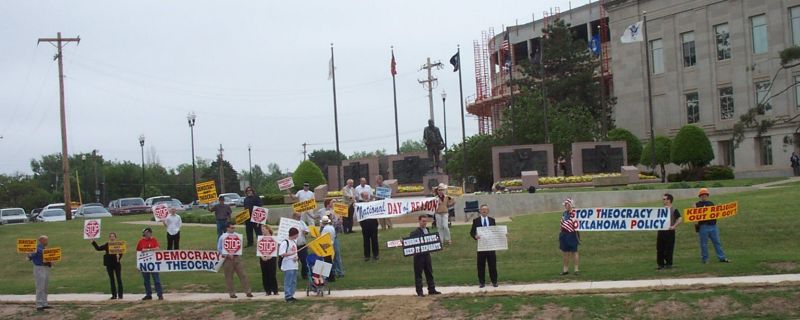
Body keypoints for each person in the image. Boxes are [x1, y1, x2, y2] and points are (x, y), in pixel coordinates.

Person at [217, 222, 253, 298]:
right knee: (229, 276)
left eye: (234, 227)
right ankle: (232, 293)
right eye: (232, 228)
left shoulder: (237, 236)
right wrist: (226, 254)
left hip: (237, 257)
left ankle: (248, 292)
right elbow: (219, 248)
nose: (233, 229)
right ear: (227, 228)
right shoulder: (222, 237)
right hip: (227, 259)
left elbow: (239, 246)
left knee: (243, 275)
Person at [694, 188, 730, 264]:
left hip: (713, 226)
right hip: (703, 226)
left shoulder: (711, 203)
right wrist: (694, 208)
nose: (704, 196)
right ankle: (705, 259)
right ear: (700, 196)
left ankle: (722, 258)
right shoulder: (697, 204)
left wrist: (719, 208)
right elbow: (694, 216)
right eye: (702, 195)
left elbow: (715, 213)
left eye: (705, 195)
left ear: (707, 196)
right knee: (704, 244)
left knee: (717, 242)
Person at [410, 215, 441, 297]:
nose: (424, 223)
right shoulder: (414, 232)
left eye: (425, 221)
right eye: (423, 221)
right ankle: (419, 292)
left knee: (429, 273)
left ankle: (432, 289)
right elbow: (410, 243)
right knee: (418, 274)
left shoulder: (427, 230)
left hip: (427, 255)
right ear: (419, 221)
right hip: (418, 257)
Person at [470, 205, 498, 288]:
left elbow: (495, 231)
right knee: (481, 265)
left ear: (488, 211)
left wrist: (501, 235)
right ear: (480, 211)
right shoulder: (476, 221)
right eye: (482, 210)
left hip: (491, 246)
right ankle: (481, 282)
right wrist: (475, 236)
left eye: (486, 209)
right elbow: (472, 232)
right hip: (481, 246)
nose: (484, 211)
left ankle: (494, 281)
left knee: (492, 265)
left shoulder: (492, 220)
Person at [91, 232, 124, 300]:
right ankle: (114, 295)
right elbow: (98, 248)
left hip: (117, 264)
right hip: (109, 264)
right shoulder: (107, 244)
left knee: (119, 279)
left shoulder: (118, 244)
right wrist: (93, 242)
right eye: (111, 236)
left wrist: (119, 257)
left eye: (113, 236)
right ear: (109, 238)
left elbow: (121, 252)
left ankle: (120, 295)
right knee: (112, 279)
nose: (112, 238)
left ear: (115, 237)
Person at [657, 193, 682, 270]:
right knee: (660, 249)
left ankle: (669, 264)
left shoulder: (674, 210)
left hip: (670, 232)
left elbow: (680, 218)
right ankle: (661, 265)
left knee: (669, 248)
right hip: (661, 232)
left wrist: (674, 226)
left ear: (669, 200)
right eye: (663, 199)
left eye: (664, 199)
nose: (663, 200)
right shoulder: (661, 210)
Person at [136, 227, 163, 300]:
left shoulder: (154, 240)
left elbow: (158, 249)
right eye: (145, 233)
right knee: (146, 280)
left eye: (148, 232)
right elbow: (138, 253)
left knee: (156, 280)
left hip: (153, 263)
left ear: (150, 233)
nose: (146, 234)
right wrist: (138, 265)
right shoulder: (141, 241)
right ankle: (148, 294)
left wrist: (148, 250)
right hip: (145, 264)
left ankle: (159, 294)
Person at [28, 235, 52, 311]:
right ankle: (39, 304)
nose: (47, 242)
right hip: (39, 268)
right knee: (40, 287)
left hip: (46, 268)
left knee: (45, 287)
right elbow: (30, 257)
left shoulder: (44, 248)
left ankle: (44, 303)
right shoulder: (36, 248)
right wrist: (28, 255)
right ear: (42, 240)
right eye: (46, 240)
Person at [559, 198, 580, 276]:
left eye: (566, 204)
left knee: (574, 252)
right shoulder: (564, 213)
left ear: (570, 205)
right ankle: (565, 270)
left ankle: (576, 269)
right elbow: (561, 223)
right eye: (565, 204)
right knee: (565, 252)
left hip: (571, 234)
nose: (565, 205)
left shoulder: (574, 213)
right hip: (563, 234)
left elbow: (576, 223)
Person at [279, 227, 300, 303]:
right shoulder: (285, 242)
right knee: (288, 281)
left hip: (294, 264)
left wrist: (296, 257)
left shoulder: (294, 242)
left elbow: (296, 252)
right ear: (293, 234)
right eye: (296, 234)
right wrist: (291, 254)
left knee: (293, 281)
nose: (297, 236)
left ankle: (291, 295)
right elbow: (282, 253)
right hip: (288, 265)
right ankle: (287, 296)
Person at [358, 191, 380, 261]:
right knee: (366, 240)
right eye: (365, 196)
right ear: (362, 197)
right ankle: (367, 255)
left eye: (367, 196)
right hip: (365, 225)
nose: (367, 197)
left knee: (374, 240)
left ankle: (375, 255)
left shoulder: (373, 203)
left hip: (373, 223)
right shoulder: (360, 204)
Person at [259, 224, 279, 296]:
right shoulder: (261, 238)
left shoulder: (273, 238)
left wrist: (270, 256)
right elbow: (259, 248)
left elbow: (275, 248)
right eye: (262, 229)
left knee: (272, 274)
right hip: (263, 258)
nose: (262, 231)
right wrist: (262, 257)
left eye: (264, 229)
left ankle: (275, 290)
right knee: (265, 274)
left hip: (272, 258)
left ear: (268, 229)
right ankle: (267, 290)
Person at [291, 212, 311, 279]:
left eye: (300, 216)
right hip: (294, 246)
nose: (299, 218)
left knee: (305, 261)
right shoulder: (290, 223)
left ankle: (304, 275)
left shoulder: (302, 222)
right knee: (293, 262)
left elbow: (307, 230)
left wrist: (305, 232)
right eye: (298, 216)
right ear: (294, 217)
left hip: (302, 245)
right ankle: (294, 275)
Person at [329, 200, 346, 277]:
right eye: (333, 202)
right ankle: (332, 272)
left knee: (337, 254)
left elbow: (339, 230)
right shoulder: (327, 213)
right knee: (330, 256)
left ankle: (339, 272)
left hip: (335, 237)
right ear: (329, 204)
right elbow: (328, 225)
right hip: (328, 238)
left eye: (335, 202)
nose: (334, 203)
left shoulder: (338, 213)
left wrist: (340, 222)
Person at [319, 215, 337, 282]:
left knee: (327, 262)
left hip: (325, 246)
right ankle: (331, 276)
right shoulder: (332, 227)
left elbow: (322, 238)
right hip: (331, 244)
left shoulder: (325, 229)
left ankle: (330, 277)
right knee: (330, 261)